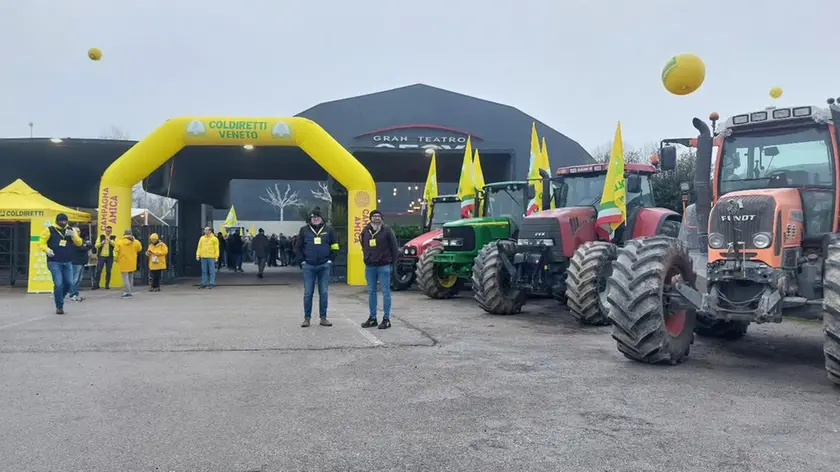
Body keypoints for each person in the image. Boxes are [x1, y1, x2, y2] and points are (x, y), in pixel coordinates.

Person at [295, 208, 338, 327]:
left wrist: (330, 260)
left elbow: (335, 246)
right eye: (313, 217)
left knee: (323, 293)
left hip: (324, 265)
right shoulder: (304, 230)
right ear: (310, 219)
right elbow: (298, 247)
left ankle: (323, 318)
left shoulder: (329, 230)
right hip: (308, 265)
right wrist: (302, 261)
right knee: (308, 293)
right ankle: (307, 318)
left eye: (318, 217)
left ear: (322, 218)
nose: (316, 219)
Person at [360, 209, 400, 329]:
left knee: (385, 292)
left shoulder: (387, 230)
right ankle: (373, 318)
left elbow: (394, 248)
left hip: (384, 266)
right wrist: (367, 258)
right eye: (374, 216)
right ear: (370, 218)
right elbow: (364, 245)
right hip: (370, 266)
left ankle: (386, 319)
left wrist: (391, 263)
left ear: (381, 218)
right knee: (371, 292)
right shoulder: (365, 231)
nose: (376, 218)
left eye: (378, 216)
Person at [39, 213, 83, 314]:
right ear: (57, 221)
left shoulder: (71, 230)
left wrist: (74, 237)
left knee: (70, 283)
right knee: (58, 284)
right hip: (54, 261)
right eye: (61, 221)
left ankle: (59, 297)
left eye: (65, 221)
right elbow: (41, 242)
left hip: (67, 261)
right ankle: (59, 306)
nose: (63, 223)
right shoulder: (49, 230)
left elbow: (79, 243)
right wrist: (47, 250)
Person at [115, 229, 143, 298]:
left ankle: (128, 292)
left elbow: (116, 251)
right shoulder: (136, 242)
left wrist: (116, 259)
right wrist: (135, 240)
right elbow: (139, 249)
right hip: (132, 261)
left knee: (125, 278)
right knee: (131, 277)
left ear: (124, 234)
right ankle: (130, 290)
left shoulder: (119, 242)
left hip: (123, 261)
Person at [68, 227, 91, 302]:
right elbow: (82, 248)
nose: (78, 232)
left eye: (79, 231)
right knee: (74, 279)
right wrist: (85, 246)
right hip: (75, 262)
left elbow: (89, 246)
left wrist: (86, 245)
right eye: (77, 231)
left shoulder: (80, 240)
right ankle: (72, 294)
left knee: (79, 279)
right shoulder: (72, 240)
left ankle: (76, 294)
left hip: (82, 262)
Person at [92, 225, 116, 290]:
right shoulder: (101, 237)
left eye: (109, 231)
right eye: (107, 231)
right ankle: (96, 285)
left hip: (110, 257)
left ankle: (107, 285)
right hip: (101, 256)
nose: (108, 232)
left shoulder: (113, 237)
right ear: (105, 231)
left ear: (111, 231)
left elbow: (115, 245)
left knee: (108, 271)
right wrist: (101, 243)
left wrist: (110, 241)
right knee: (99, 270)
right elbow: (96, 246)